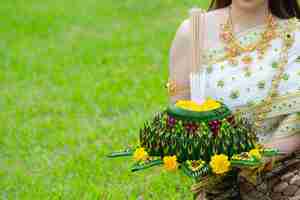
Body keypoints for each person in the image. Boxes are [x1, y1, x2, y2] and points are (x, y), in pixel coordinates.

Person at [167, 0, 300, 199]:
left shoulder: (295, 35)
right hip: (220, 179)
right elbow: (179, 118)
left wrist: (262, 157)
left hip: (289, 167)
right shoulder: (194, 31)